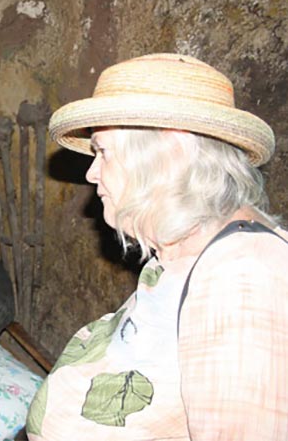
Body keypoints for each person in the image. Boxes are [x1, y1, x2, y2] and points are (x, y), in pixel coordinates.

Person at [26, 53, 288, 440]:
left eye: (103, 151)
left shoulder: (244, 277)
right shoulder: (184, 253)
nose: (91, 172)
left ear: (173, 151)